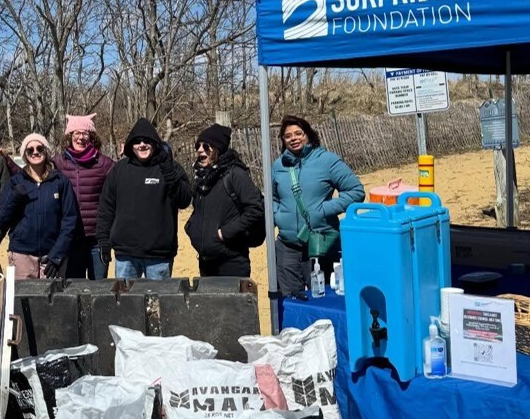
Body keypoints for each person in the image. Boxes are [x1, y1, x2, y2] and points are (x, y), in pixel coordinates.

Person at [272, 114, 365, 296]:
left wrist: (324, 210)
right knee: (290, 299)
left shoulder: (327, 161)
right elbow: (273, 197)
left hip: (320, 243)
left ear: (308, 134)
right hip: (287, 246)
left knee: (323, 298)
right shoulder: (278, 166)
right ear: (283, 140)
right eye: (288, 136)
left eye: (298, 133)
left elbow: (355, 191)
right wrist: (278, 215)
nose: (294, 138)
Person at [96, 118, 192, 280]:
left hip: (159, 254)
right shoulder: (119, 170)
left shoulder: (170, 167)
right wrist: (103, 240)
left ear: (155, 143)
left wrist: (169, 173)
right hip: (125, 253)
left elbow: (184, 200)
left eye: (147, 141)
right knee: (126, 303)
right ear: (130, 145)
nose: (142, 145)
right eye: (137, 141)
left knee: (156, 303)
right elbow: (106, 208)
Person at [185, 124, 266, 277]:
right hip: (206, 261)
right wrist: (191, 228)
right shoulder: (202, 177)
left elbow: (255, 209)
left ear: (217, 149)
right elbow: (198, 209)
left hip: (232, 261)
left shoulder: (235, 174)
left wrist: (225, 233)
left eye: (206, 146)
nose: (200, 150)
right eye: (198, 146)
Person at [0, 133, 79, 280]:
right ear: (25, 155)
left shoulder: (60, 182)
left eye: (39, 148)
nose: (35, 152)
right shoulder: (15, 182)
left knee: (53, 301)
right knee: (23, 301)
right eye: (30, 150)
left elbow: (69, 220)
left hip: (51, 256)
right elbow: (2, 219)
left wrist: (57, 255)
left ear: (46, 151)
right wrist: (14, 197)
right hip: (22, 255)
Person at [52, 113, 116, 279]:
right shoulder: (58, 163)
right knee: (74, 289)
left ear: (92, 136)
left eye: (85, 133)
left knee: (98, 288)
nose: (81, 137)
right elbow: (33, 173)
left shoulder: (103, 163)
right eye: (76, 133)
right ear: (69, 136)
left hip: (97, 238)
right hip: (71, 238)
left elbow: (123, 181)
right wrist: (5, 160)